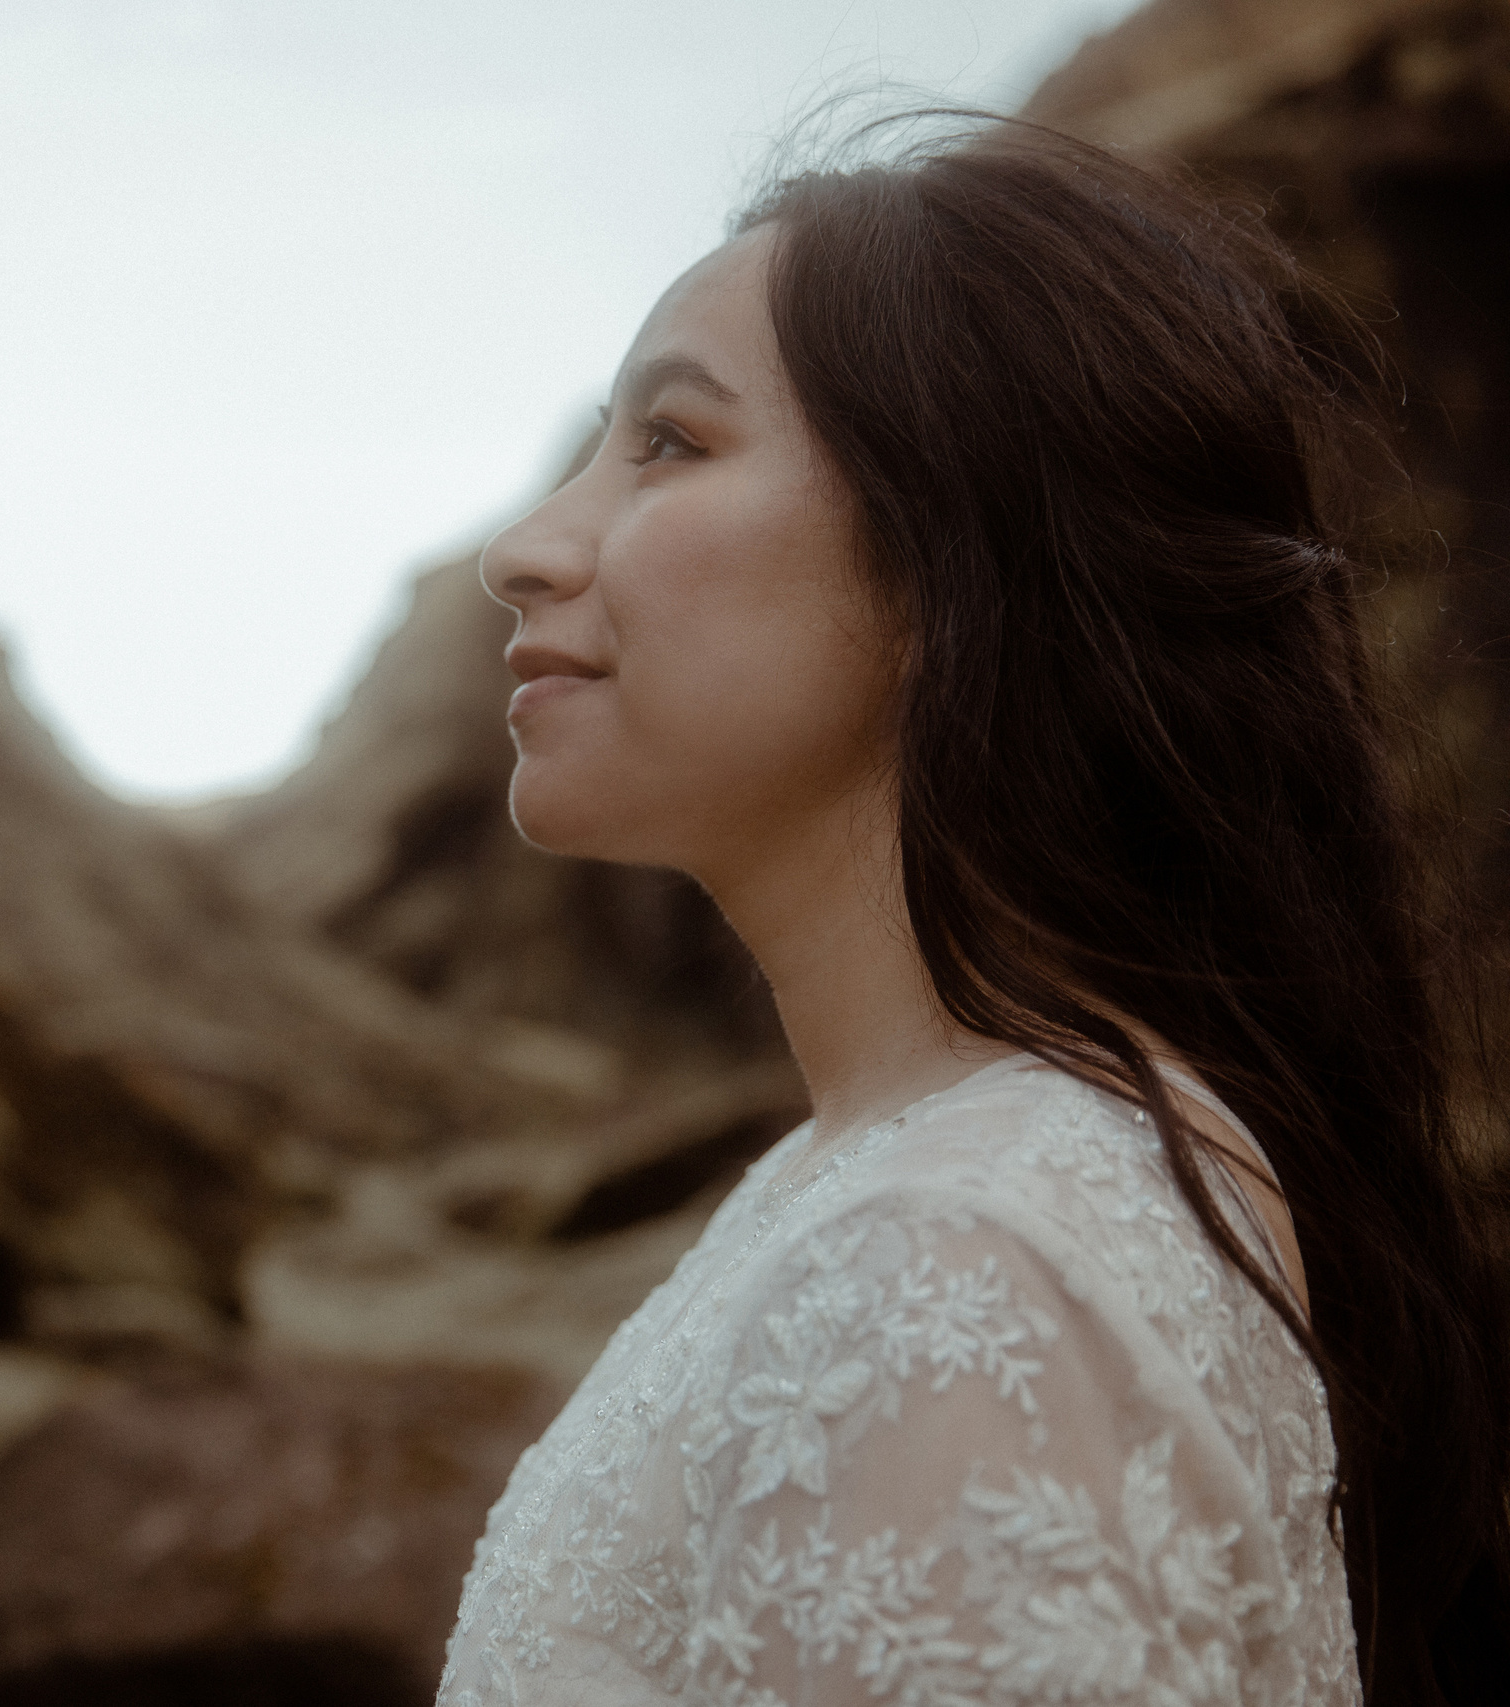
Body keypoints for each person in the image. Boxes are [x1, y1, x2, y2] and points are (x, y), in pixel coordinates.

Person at [441, 118, 1508, 1707]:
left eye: (670, 440)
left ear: (958, 551)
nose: (521, 552)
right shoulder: (904, 1171)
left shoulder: (959, 1246)